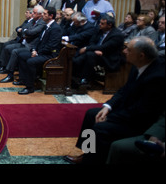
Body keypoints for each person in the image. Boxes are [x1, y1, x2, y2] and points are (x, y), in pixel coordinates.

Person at [65, 36, 165, 164]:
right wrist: (108, 107)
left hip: (139, 121)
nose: (124, 51)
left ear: (141, 55)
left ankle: (92, 161)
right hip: (126, 111)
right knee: (91, 114)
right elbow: (123, 90)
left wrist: (111, 117)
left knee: (100, 128)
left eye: (128, 50)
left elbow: (142, 110)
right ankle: (87, 153)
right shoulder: (137, 65)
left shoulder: (158, 76)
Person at [16, 7, 63, 94]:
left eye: (45, 14)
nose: (42, 15)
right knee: (21, 55)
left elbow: (51, 46)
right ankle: (23, 80)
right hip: (41, 52)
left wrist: (37, 53)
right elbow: (39, 40)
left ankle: (30, 87)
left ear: (51, 16)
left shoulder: (56, 28)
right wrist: (34, 49)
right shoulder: (46, 25)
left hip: (49, 55)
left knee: (31, 61)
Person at [72, 14, 124, 85]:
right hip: (97, 53)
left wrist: (87, 48)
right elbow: (91, 41)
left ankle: (85, 79)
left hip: (109, 58)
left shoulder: (117, 35)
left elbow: (104, 47)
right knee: (86, 53)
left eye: (102, 24)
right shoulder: (99, 30)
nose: (99, 24)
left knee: (89, 54)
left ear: (109, 25)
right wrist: (92, 49)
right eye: (100, 22)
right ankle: (75, 73)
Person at [0, 5, 46, 83]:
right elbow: (24, 28)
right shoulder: (33, 21)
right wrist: (26, 31)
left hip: (30, 46)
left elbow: (31, 32)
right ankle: (5, 68)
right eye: (32, 12)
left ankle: (10, 75)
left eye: (34, 12)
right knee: (8, 47)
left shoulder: (42, 23)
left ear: (40, 14)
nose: (32, 14)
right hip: (24, 42)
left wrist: (25, 31)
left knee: (15, 51)